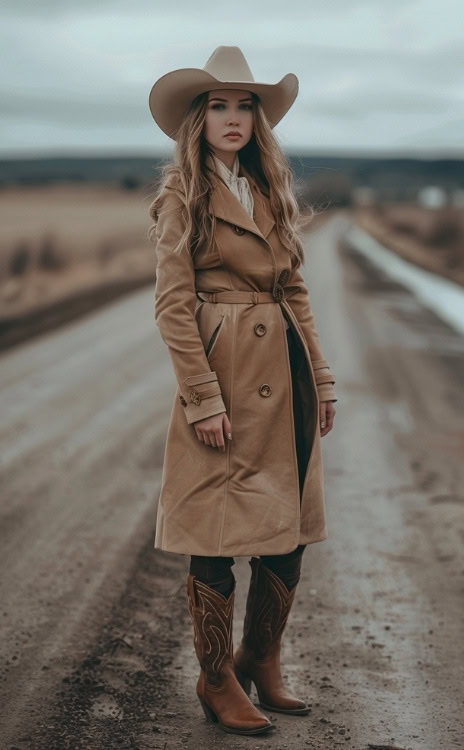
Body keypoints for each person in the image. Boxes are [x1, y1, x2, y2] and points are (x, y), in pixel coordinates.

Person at [147, 45, 337, 736]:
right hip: (224, 378)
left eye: (245, 105)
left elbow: (295, 290)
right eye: (219, 106)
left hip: (284, 372)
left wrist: (321, 376)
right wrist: (202, 397)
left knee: (287, 531)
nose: (233, 118)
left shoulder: (271, 191)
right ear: (197, 121)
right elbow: (173, 305)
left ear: (259, 119)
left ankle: (262, 656)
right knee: (218, 531)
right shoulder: (183, 197)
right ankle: (216, 675)